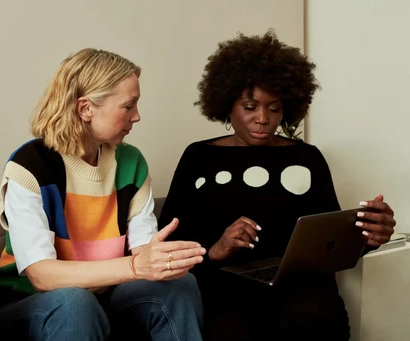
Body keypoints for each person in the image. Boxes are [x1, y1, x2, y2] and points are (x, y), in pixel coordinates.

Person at [159, 31, 396, 341]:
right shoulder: (198, 157)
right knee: (234, 331)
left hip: (303, 287)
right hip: (226, 288)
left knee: (315, 318)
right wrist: (216, 250)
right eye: (249, 106)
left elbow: (331, 241)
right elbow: (167, 243)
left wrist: (371, 235)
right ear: (226, 104)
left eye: (274, 109)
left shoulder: (306, 157)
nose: (262, 119)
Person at [0, 48, 206, 341]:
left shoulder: (131, 163)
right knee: (74, 302)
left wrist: (163, 260)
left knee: (180, 285)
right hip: (26, 306)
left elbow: (143, 253)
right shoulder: (30, 165)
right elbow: (42, 276)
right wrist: (136, 266)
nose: (137, 116)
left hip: (104, 298)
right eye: (128, 106)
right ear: (86, 108)